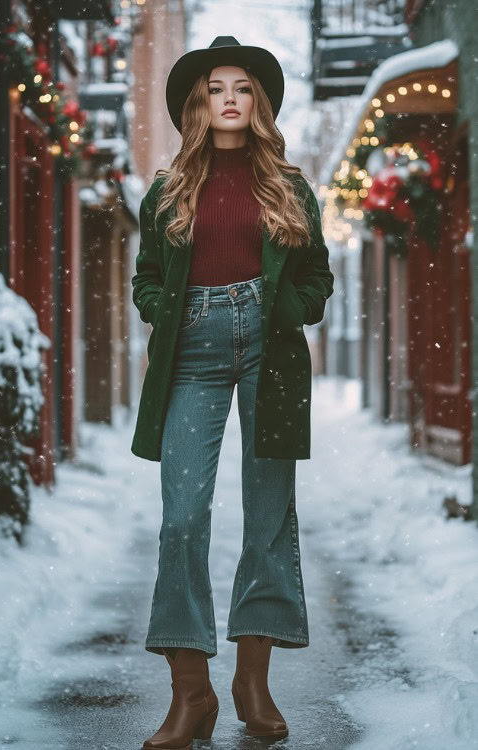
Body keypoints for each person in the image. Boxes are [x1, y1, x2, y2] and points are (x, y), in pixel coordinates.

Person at [132, 36, 334, 750]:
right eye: (215, 88)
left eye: (242, 87)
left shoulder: (290, 188)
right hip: (192, 354)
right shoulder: (168, 191)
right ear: (197, 104)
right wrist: (166, 311)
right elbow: (146, 278)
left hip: (270, 354)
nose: (228, 99)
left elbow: (316, 279)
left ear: (258, 103)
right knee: (183, 517)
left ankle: (253, 680)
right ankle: (192, 694)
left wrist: (285, 309)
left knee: (268, 515)